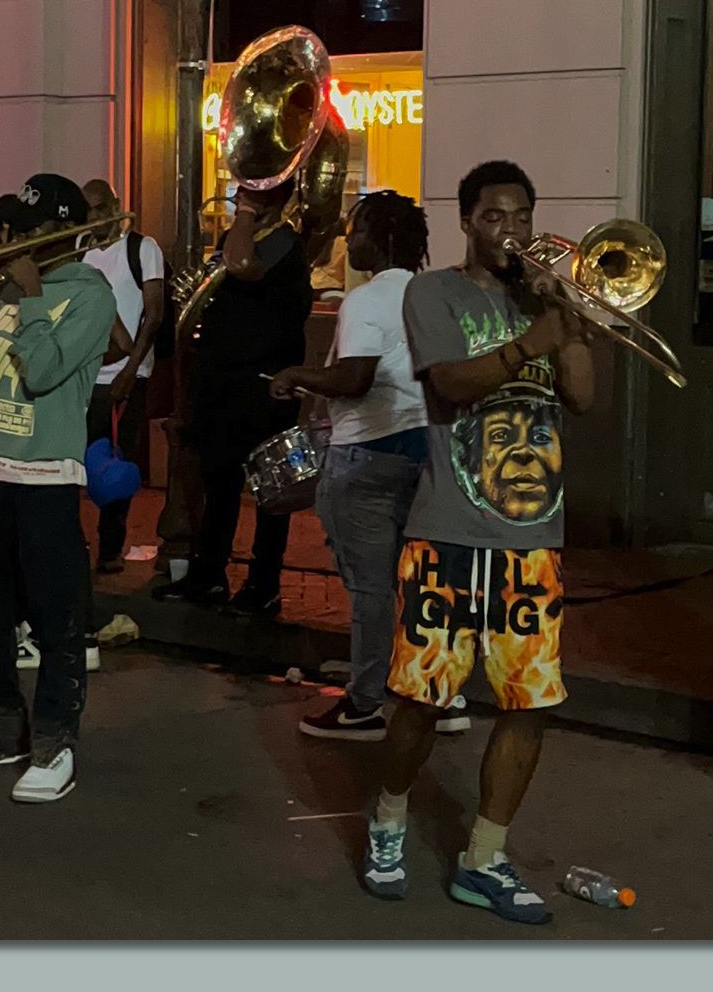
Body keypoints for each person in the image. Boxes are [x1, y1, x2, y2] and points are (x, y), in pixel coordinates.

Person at [358, 162, 596, 926]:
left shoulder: (545, 298)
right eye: (495, 218)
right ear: (467, 221)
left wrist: (569, 315)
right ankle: (389, 818)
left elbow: (584, 398)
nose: (513, 232)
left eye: (522, 217)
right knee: (421, 702)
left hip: (533, 539)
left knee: (529, 705)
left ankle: (485, 859)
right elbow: (448, 388)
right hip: (448, 533)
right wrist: (531, 342)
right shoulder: (432, 293)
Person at [0, 173, 116, 804]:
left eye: (31, 233)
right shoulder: (6, 289)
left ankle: (55, 744)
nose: (15, 244)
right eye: (15, 231)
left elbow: (40, 373)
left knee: (57, 619)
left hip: (46, 480)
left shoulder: (90, 296)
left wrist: (33, 299)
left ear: (60, 235)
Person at [270, 191, 468, 742]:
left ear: (377, 239)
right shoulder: (434, 293)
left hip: (368, 455)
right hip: (426, 450)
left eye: (354, 231)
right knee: (426, 582)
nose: (347, 241)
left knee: (372, 590)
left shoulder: (365, 299)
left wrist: (299, 375)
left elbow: (354, 379)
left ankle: (363, 705)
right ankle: (440, 694)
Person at [152, 179, 314, 618]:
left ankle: (264, 586)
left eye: (251, 193)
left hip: (263, 387)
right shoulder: (238, 239)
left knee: (269, 494)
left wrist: (243, 216)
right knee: (218, 485)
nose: (241, 198)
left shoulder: (283, 243)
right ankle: (209, 576)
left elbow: (243, 265)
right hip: (223, 384)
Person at [80, 179, 166, 574]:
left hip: (123, 374)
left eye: (101, 209)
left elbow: (155, 313)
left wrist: (131, 371)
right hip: (84, 374)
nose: (95, 218)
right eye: (89, 211)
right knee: (78, 463)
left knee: (114, 464)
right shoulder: (80, 248)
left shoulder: (142, 248)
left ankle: (109, 550)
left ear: (116, 207)